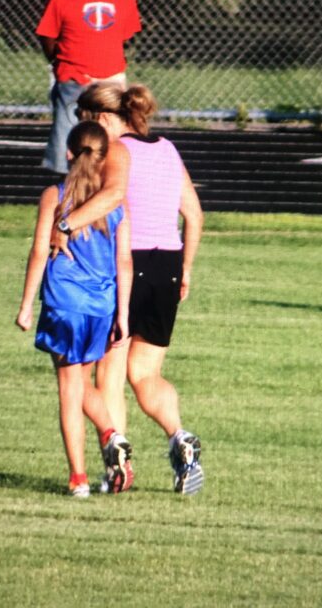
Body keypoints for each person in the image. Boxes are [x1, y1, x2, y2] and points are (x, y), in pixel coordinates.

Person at [58, 82, 206, 495]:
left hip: (128, 263)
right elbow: (194, 215)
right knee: (146, 374)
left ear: (102, 118)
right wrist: (186, 269)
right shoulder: (167, 149)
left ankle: (116, 468)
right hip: (168, 265)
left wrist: (65, 225)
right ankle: (180, 437)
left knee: (110, 372)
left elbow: (113, 196)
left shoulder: (117, 152)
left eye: (85, 124)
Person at [15, 120, 134, 497]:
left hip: (64, 303)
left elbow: (38, 252)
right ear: (103, 158)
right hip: (101, 306)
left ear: (68, 153)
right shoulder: (113, 203)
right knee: (81, 382)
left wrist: (25, 306)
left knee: (69, 389)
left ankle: (78, 478)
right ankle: (112, 434)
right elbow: (125, 261)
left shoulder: (54, 195)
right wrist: (124, 315)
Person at [35, 0, 142, 174]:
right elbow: (47, 34)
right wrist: (58, 61)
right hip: (74, 76)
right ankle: (62, 178)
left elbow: (125, 35)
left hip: (111, 76)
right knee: (68, 128)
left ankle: (113, 173)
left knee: (114, 128)